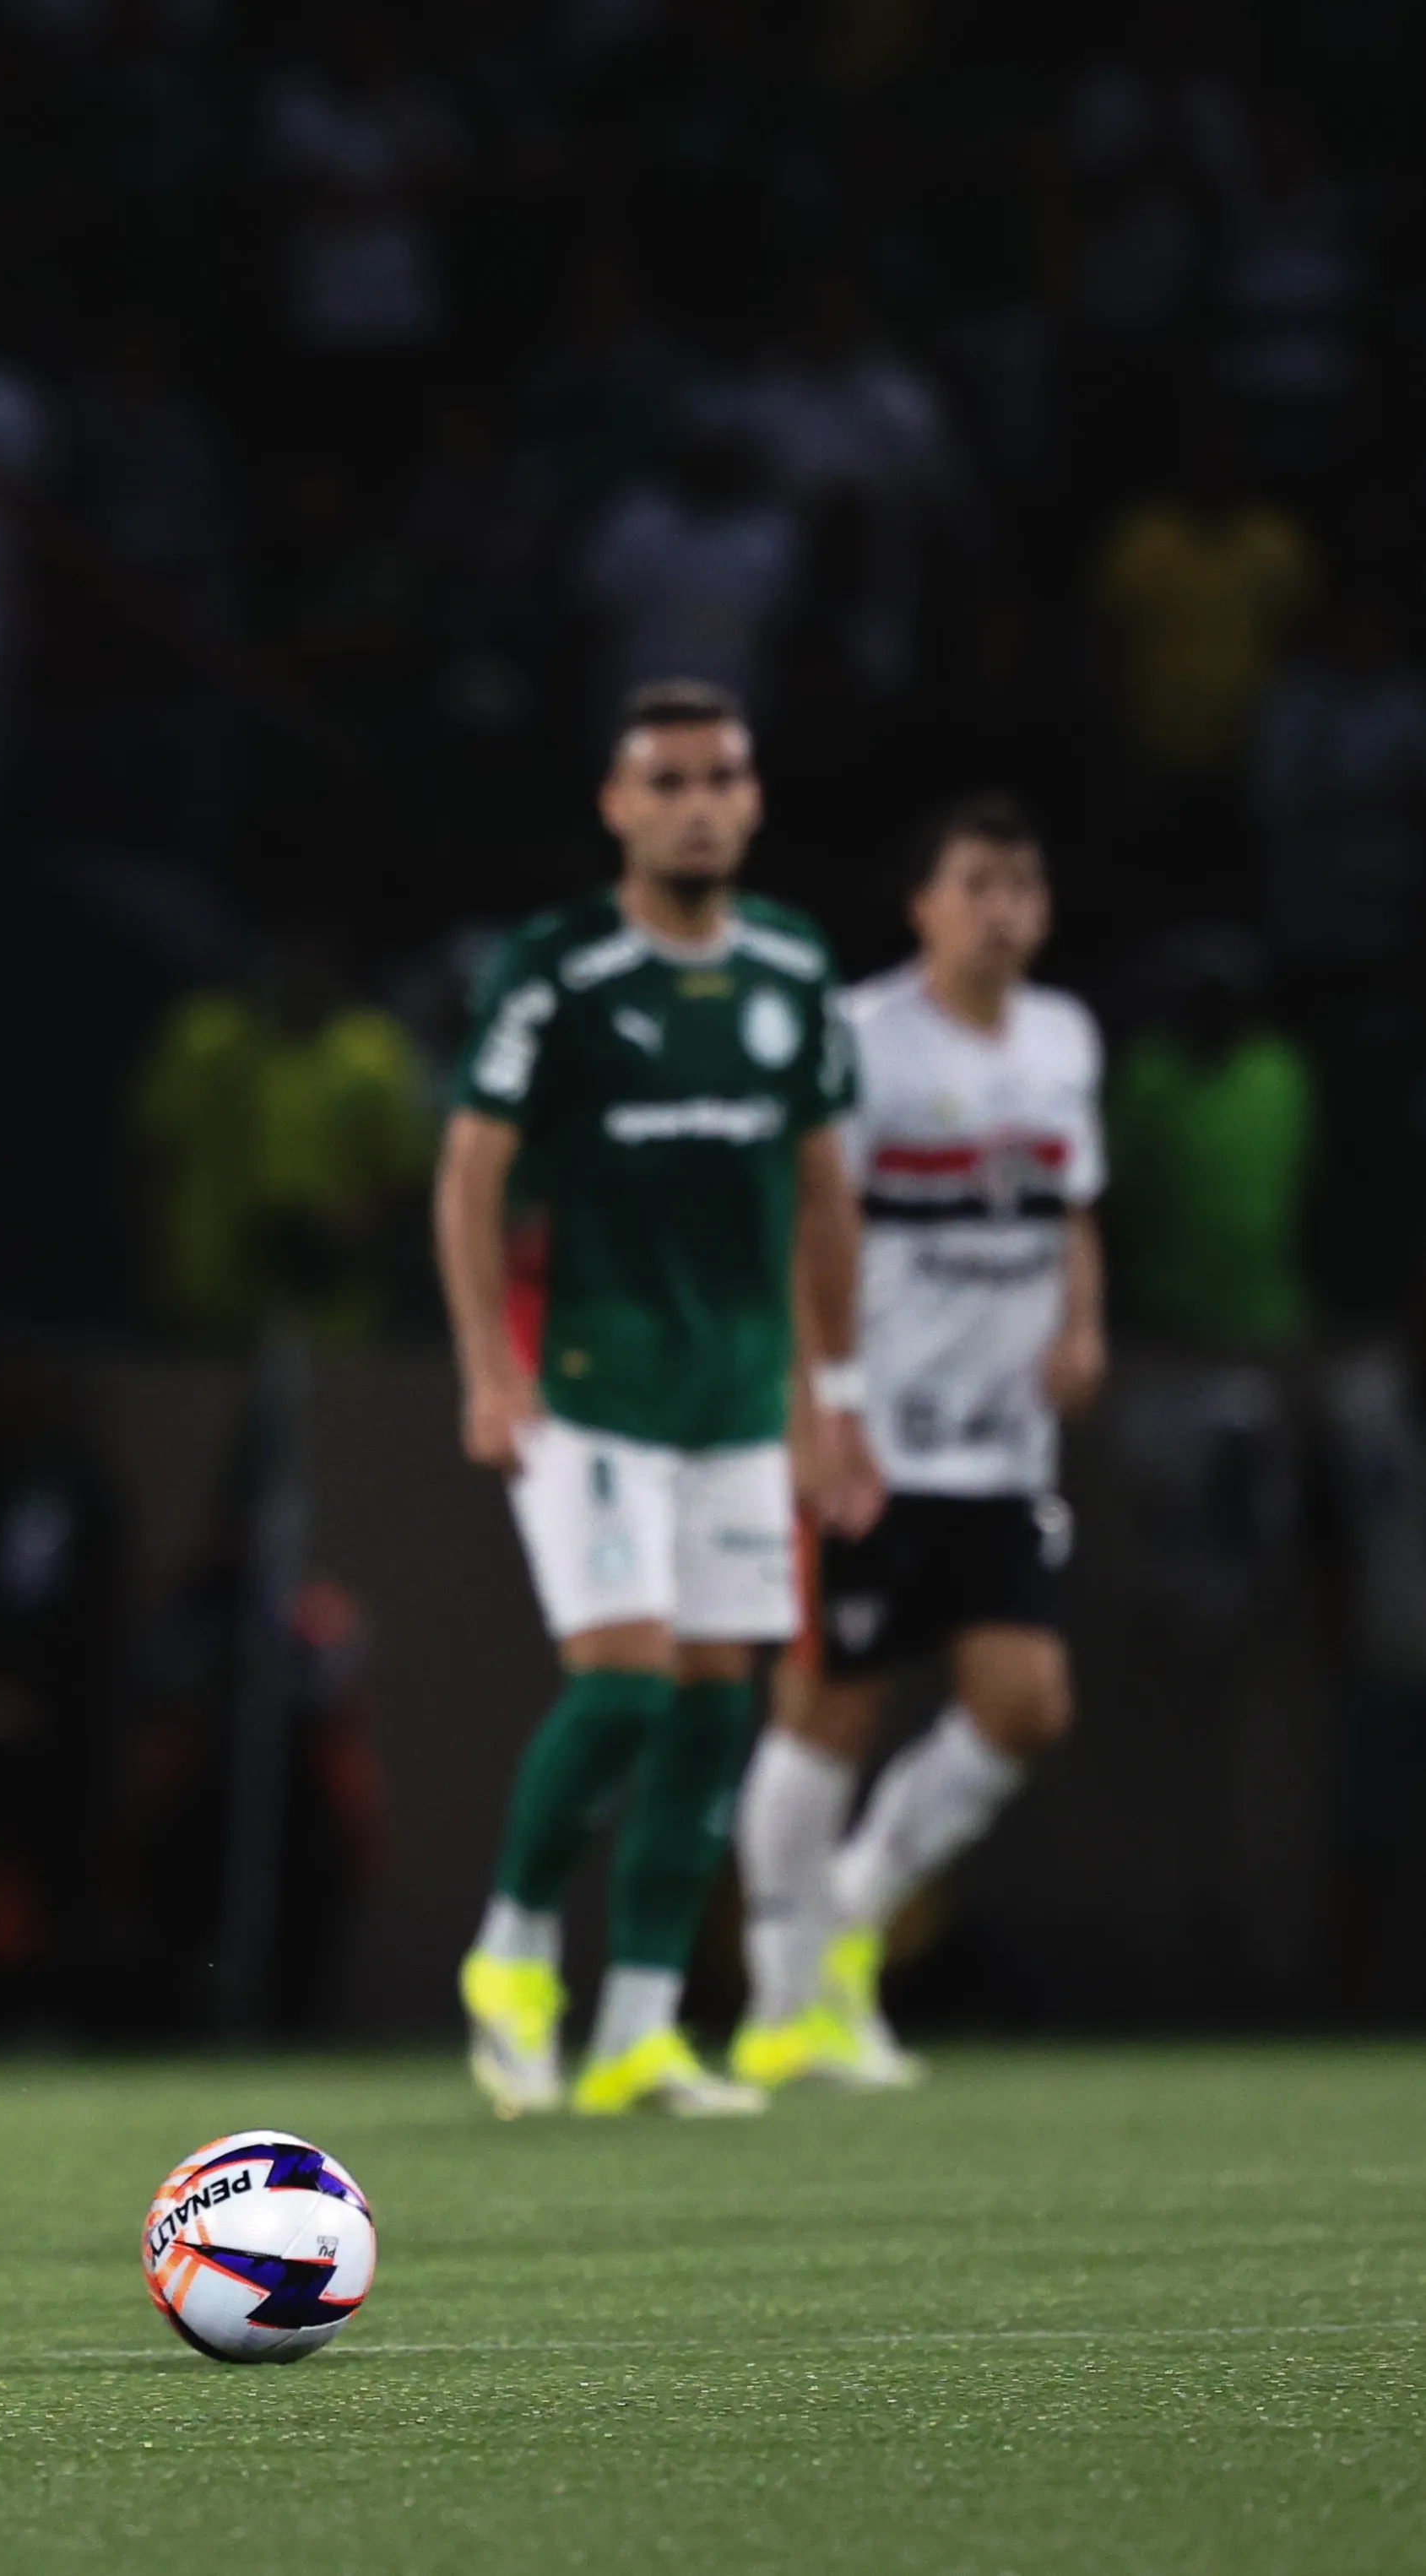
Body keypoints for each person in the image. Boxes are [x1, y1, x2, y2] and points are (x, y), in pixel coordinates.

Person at [440, 679, 880, 2120]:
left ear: (752, 800)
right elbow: (471, 1175)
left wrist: (837, 1396)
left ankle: (637, 2027)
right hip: (592, 1387)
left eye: (722, 779)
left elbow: (821, 1193)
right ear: (618, 806)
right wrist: (489, 1371)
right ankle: (512, 1955)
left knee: (714, 1707)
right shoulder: (561, 967)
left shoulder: (795, 968)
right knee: (624, 1680)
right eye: (669, 781)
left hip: (743, 1399)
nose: (698, 804)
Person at [735, 798, 1105, 2089]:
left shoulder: (1065, 1038)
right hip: (878, 1437)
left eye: (1023, 883)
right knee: (831, 1705)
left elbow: (1071, 1204)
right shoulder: (864, 1039)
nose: (1003, 906)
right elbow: (804, 1231)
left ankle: (851, 1912)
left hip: (1004, 1450)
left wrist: (1084, 1324)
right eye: (978, 882)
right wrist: (813, 1411)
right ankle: (788, 1998)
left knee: (1026, 1705)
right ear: (924, 905)